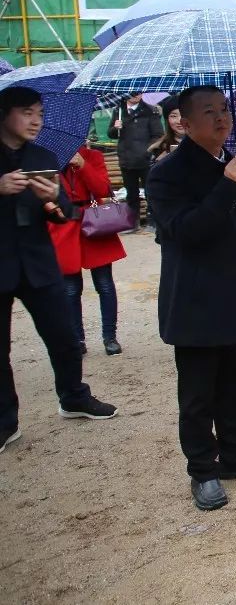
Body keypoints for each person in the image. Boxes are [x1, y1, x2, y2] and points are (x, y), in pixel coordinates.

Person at [147, 86, 236, 510]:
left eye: (224, 109)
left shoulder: (234, 163)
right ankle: (203, 470)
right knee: (198, 392)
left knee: (235, 383)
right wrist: (224, 187)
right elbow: (184, 232)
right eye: (209, 112)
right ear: (184, 123)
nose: (222, 118)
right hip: (196, 303)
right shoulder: (167, 173)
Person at [2, 86, 118, 454]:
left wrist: (52, 201)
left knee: (65, 336)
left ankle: (73, 396)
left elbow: (65, 211)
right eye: (26, 112)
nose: (36, 120)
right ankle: (6, 422)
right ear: (4, 114)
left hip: (38, 260)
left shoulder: (43, 154)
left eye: (39, 112)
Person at [50, 144, 128, 356]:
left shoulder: (93, 156)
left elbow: (103, 188)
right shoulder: (47, 159)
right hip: (64, 225)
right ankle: (78, 339)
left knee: (104, 284)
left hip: (93, 221)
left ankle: (109, 337)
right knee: (71, 289)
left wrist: (83, 165)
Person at [108, 93, 163, 230]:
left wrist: (147, 151)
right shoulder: (118, 111)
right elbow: (111, 133)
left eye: (137, 92)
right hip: (126, 159)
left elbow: (157, 134)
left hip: (145, 160)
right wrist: (116, 128)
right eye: (131, 93)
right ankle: (133, 222)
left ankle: (153, 221)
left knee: (150, 192)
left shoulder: (150, 111)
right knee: (131, 193)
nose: (134, 95)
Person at [148, 96, 185, 163]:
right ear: (167, 120)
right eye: (173, 116)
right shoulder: (159, 148)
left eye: (184, 114)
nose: (179, 121)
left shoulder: (204, 145)